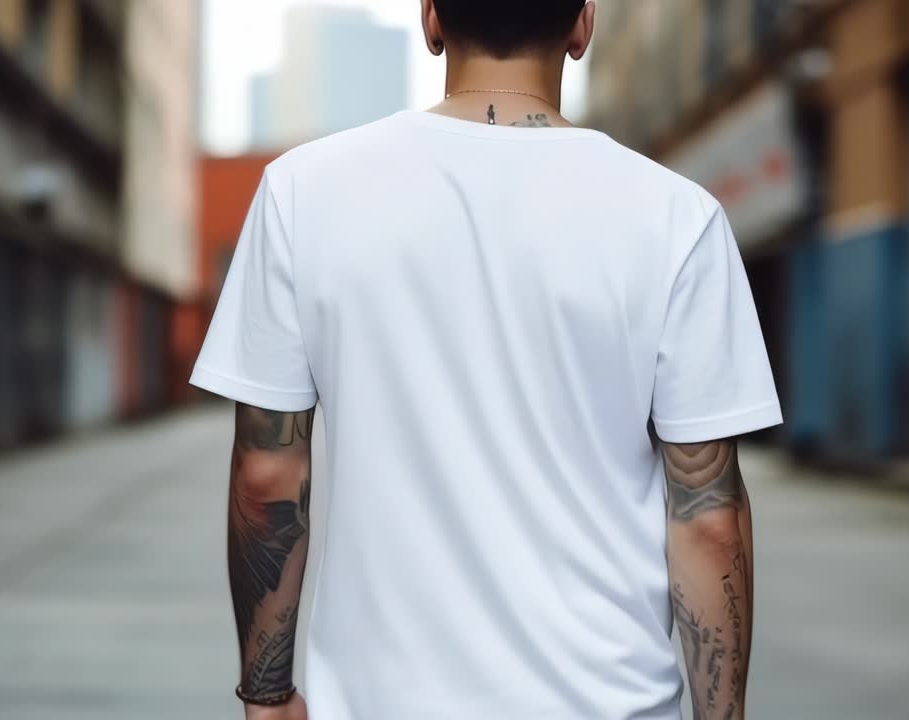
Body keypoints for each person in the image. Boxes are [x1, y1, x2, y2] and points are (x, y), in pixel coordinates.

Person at [190, 1, 782, 718]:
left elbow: (267, 474)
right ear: (582, 24)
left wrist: (268, 693)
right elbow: (707, 516)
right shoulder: (678, 218)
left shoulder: (300, 192)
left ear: (431, 19)